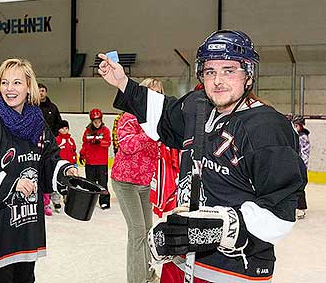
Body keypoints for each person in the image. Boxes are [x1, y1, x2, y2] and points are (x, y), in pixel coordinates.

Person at [98, 30, 307, 283]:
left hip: (234, 270)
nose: (218, 80)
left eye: (229, 70)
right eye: (210, 71)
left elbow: (281, 211)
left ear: (249, 75)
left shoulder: (267, 127)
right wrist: (123, 82)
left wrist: (216, 230)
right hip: (181, 261)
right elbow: (161, 113)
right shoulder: (197, 106)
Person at [0, 58, 77, 283]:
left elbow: (48, 160)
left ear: (28, 86)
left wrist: (65, 172)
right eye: (4, 83)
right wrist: (11, 183)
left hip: (26, 224)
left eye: (16, 83)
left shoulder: (38, 125)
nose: (10, 89)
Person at [110, 78, 164, 283]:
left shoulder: (158, 118)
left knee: (147, 232)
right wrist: (150, 134)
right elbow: (127, 145)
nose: (155, 94)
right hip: (125, 183)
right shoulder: (129, 116)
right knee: (137, 232)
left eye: (159, 91)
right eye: (151, 90)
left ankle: (147, 274)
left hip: (144, 183)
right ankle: (137, 279)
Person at [38, 83, 63, 212]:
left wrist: (53, 140)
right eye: (39, 91)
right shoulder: (30, 107)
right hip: (35, 145)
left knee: (51, 171)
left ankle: (54, 200)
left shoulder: (53, 108)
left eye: (43, 90)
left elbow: (58, 124)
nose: (41, 93)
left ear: (46, 92)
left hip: (49, 146)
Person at [80, 108, 111, 209]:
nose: (97, 124)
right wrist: (82, 154)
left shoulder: (105, 131)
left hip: (101, 162)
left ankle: (104, 201)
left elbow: (108, 143)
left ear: (101, 120)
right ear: (91, 121)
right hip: (90, 162)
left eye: (99, 122)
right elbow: (85, 144)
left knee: (103, 183)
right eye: (95, 122)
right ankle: (90, 201)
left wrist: (100, 142)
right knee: (90, 183)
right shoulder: (87, 131)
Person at [292, 115, 310, 219]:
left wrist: (301, 166)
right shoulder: (296, 135)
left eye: (296, 125)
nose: (294, 127)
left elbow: (305, 154)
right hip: (295, 165)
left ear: (300, 126)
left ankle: (301, 208)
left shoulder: (303, 137)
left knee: (299, 187)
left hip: (300, 167)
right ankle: (295, 206)